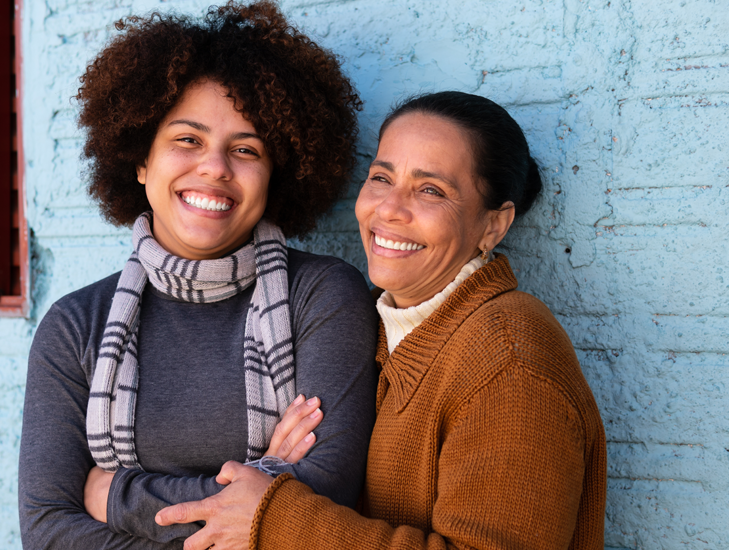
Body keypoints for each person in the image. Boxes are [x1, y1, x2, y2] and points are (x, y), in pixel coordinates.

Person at [155, 91, 608, 550]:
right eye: (380, 178)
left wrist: (276, 518)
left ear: (494, 225)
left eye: (431, 190)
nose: (389, 208)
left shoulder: (509, 357)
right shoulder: (368, 330)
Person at [17, 2, 379, 548]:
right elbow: (47, 528)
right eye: (187, 139)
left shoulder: (324, 297)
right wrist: (262, 492)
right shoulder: (75, 326)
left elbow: (324, 499)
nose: (215, 167)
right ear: (142, 161)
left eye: (245, 148)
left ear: (274, 175)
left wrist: (116, 497)